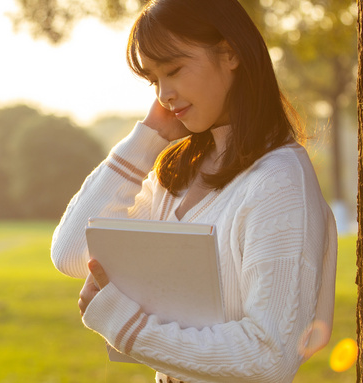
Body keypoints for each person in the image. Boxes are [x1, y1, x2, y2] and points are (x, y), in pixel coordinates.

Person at [49, 0, 338, 382]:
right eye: (154, 80)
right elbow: (71, 253)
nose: (164, 94)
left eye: (174, 70)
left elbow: (270, 356)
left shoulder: (279, 182)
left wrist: (128, 328)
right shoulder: (177, 175)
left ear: (230, 53)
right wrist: (147, 137)